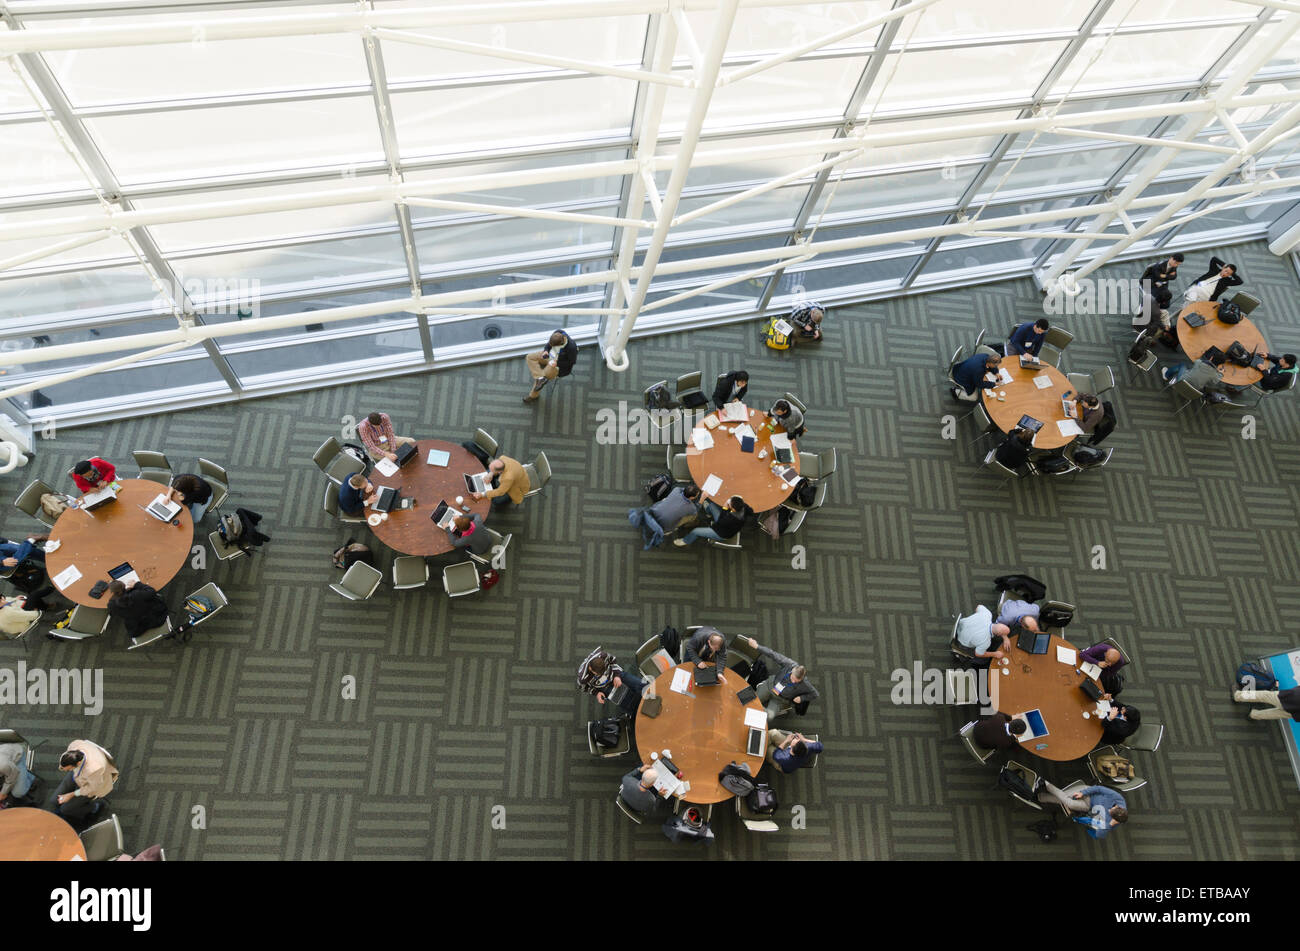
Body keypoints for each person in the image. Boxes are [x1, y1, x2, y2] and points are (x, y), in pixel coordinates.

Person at [745, 637, 818, 719]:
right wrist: (757, 646)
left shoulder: (805, 684)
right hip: (770, 686)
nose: (793, 682)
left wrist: (801, 698)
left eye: (797, 681)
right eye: (793, 678)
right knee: (749, 701)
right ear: (793, 671)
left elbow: (815, 694)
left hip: (780, 700)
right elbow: (772, 654)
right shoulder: (789, 664)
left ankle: (754, 713)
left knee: (769, 716)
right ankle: (755, 706)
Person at [47, 740, 118, 824]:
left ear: (78, 763)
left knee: (65, 809)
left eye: (69, 769)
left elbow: (92, 788)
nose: (63, 770)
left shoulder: (94, 769)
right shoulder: (74, 745)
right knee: (54, 800)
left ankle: (95, 807)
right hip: (78, 776)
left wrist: (71, 794)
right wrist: (67, 768)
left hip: (93, 786)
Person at [1034, 779, 1128, 839]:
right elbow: (1099, 788)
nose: (1108, 811)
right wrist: (1083, 793)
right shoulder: (1118, 798)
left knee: (1068, 802)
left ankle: (1043, 787)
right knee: (1065, 796)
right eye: (1111, 809)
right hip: (1088, 793)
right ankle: (1042, 793)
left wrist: (1109, 825)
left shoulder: (1111, 823)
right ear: (1117, 806)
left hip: (1087, 807)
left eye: (1110, 813)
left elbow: (1099, 834)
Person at [577, 646, 647, 717]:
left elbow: (613, 661)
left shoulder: (603, 655)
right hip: (605, 687)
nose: (603, 674)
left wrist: (617, 675)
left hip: (615, 675)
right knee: (627, 703)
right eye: (599, 674)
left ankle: (651, 698)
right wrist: (597, 693)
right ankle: (638, 714)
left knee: (641, 685)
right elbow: (584, 688)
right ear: (590, 669)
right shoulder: (583, 678)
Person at [106, 580, 169, 644]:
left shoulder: (112, 605)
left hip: (138, 628)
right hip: (157, 619)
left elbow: (119, 604)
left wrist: (125, 592)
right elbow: (152, 592)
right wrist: (137, 584)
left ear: (112, 592)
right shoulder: (136, 594)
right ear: (124, 586)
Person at [523, 330, 578, 403]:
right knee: (529, 357)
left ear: (561, 343)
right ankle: (540, 377)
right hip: (549, 357)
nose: (551, 346)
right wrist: (546, 350)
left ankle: (533, 395)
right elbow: (548, 345)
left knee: (544, 375)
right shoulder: (558, 332)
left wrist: (557, 363)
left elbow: (572, 362)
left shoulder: (571, 347)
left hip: (558, 366)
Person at [674, 495, 748, 546]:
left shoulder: (730, 519)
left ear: (733, 509)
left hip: (721, 532)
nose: (728, 503)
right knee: (712, 505)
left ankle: (685, 541)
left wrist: (725, 508)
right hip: (725, 525)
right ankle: (708, 513)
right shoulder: (742, 510)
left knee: (695, 531)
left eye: (730, 503)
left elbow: (720, 522)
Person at [1161, 349, 1225, 390]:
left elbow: (1196, 361)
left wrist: (1203, 356)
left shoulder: (1199, 363)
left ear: (1211, 357)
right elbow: (1212, 383)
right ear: (1220, 364)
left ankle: (1166, 375)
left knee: (1183, 365)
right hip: (1194, 390)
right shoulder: (1215, 376)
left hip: (1181, 382)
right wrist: (1221, 373)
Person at [0, 739, 37, 806]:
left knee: (18, 793)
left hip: (16, 758)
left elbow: (14, 773)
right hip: (6, 761)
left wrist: (3, 793)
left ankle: (29, 776)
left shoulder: (3, 765)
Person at [1232, 685, 1300, 721]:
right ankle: (1253, 715)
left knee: (1265, 695)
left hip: (1295, 699)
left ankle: (1237, 696)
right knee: (1277, 714)